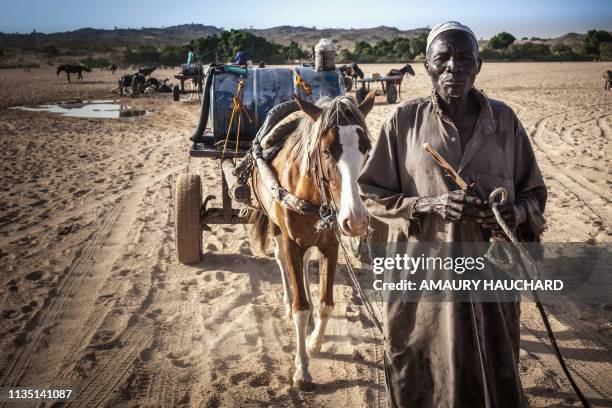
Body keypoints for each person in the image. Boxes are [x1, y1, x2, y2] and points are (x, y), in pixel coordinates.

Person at [358, 21, 547, 407]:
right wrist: (427, 204)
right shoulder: (403, 122)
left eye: (464, 58)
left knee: (494, 366)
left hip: (491, 276)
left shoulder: (505, 121)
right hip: (422, 275)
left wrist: (515, 214)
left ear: (479, 65)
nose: (453, 67)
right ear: (426, 65)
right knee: (419, 366)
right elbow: (371, 192)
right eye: (442, 58)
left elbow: (534, 193)